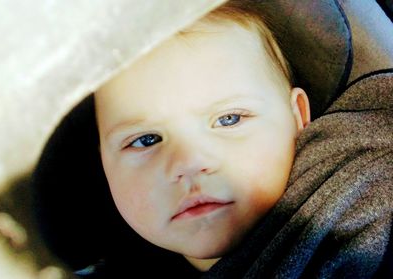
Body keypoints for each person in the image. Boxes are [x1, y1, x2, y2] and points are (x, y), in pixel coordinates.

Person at [32, 0, 393, 278]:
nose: (189, 163)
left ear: (297, 117)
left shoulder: (355, 212)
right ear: (103, 163)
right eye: (145, 140)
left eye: (229, 119)